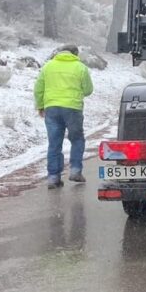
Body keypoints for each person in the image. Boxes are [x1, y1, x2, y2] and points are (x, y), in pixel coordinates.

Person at [34, 44, 94, 188]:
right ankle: (75, 170)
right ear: (75, 54)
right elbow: (88, 90)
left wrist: (40, 106)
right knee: (77, 139)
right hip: (73, 108)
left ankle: (53, 177)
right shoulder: (80, 67)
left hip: (52, 108)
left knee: (54, 143)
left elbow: (38, 88)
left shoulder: (48, 66)